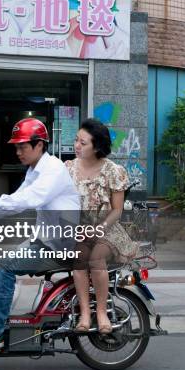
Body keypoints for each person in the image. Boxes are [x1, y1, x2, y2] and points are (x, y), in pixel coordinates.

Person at [0, 118, 80, 354]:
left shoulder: (53, 169)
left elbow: (30, 199)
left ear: (39, 145)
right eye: (16, 147)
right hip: (44, 239)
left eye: (22, 146)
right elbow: (15, 201)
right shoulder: (34, 170)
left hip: (60, 245)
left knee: (5, 266)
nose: (17, 152)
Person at [65, 118, 138, 335]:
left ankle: (102, 312)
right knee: (79, 259)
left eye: (83, 142)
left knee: (96, 258)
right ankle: (85, 313)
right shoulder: (68, 168)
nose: (77, 145)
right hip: (81, 228)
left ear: (97, 146)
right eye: (76, 140)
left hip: (108, 228)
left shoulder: (113, 171)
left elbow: (117, 210)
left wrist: (99, 228)